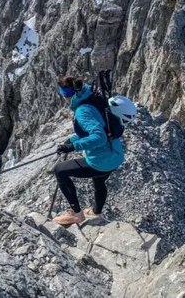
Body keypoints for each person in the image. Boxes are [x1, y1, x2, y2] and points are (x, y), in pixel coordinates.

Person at [51, 76, 135, 226]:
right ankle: (96, 211)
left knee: (59, 170)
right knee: (99, 179)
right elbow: (100, 127)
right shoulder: (92, 97)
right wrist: (73, 139)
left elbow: (99, 137)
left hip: (101, 160)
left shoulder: (82, 111)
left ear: (65, 95)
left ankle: (76, 214)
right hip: (115, 156)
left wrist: (74, 146)